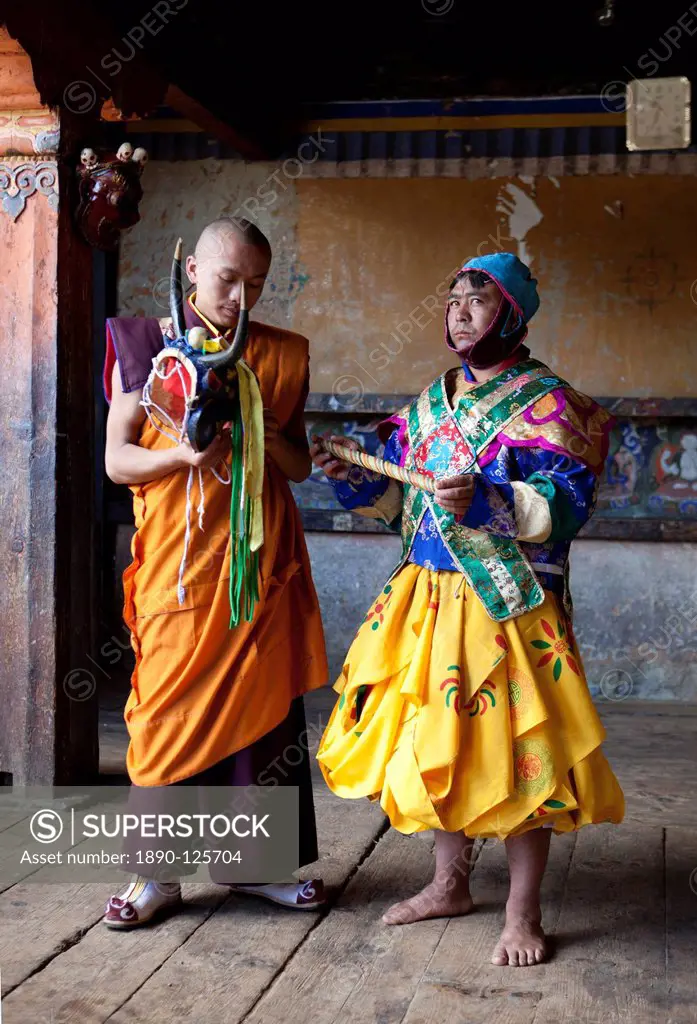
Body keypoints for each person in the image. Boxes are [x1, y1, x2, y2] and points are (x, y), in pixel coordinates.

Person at [310, 252, 624, 967]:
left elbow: (567, 503)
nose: (457, 313)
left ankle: (522, 912)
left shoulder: (551, 404)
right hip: (427, 598)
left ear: (511, 316)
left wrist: (491, 501)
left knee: (519, 756)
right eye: (451, 300)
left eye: (476, 302)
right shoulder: (426, 405)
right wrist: (355, 479)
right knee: (438, 748)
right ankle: (447, 884)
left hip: (507, 605)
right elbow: (401, 507)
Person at [102, 218, 329, 927]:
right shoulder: (142, 350)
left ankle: (256, 869)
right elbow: (118, 462)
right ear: (192, 267)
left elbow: (298, 463)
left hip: (254, 570)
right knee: (165, 720)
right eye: (228, 279)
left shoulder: (280, 356)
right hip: (177, 571)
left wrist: (246, 428)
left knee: (263, 723)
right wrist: (180, 459)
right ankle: (157, 878)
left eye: (255, 285)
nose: (239, 297)